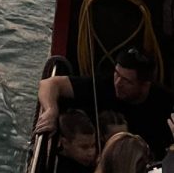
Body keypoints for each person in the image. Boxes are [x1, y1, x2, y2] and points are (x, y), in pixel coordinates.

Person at [36, 48, 174, 160]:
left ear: (144, 85)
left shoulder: (165, 103)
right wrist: (50, 109)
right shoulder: (105, 85)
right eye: (116, 74)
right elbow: (49, 84)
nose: (118, 83)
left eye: (126, 80)